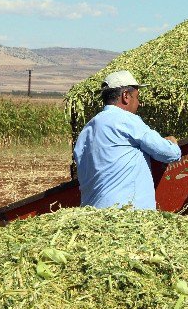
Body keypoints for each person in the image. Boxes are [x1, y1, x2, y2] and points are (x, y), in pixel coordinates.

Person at [73, 70, 181, 209]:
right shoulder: (126, 120)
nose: (139, 103)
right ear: (125, 96)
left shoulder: (87, 130)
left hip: (93, 215)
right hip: (126, 215)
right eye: (137, 97)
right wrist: (172, 143)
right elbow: (169, 153)